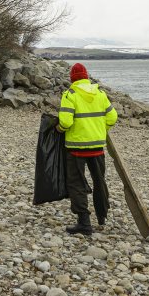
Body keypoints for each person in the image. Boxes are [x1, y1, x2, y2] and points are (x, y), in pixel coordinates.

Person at [57, 62, 118, 235]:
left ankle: (84, 222)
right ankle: (102, 216)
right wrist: (100, 130)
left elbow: (66, 122)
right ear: (86, 76)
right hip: (97, 146)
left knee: (77, 183)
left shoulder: (70, 95)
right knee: (99, 181)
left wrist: (59, 130)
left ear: (72, 78)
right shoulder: (100, 93)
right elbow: (113, 117)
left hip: (76, 148)